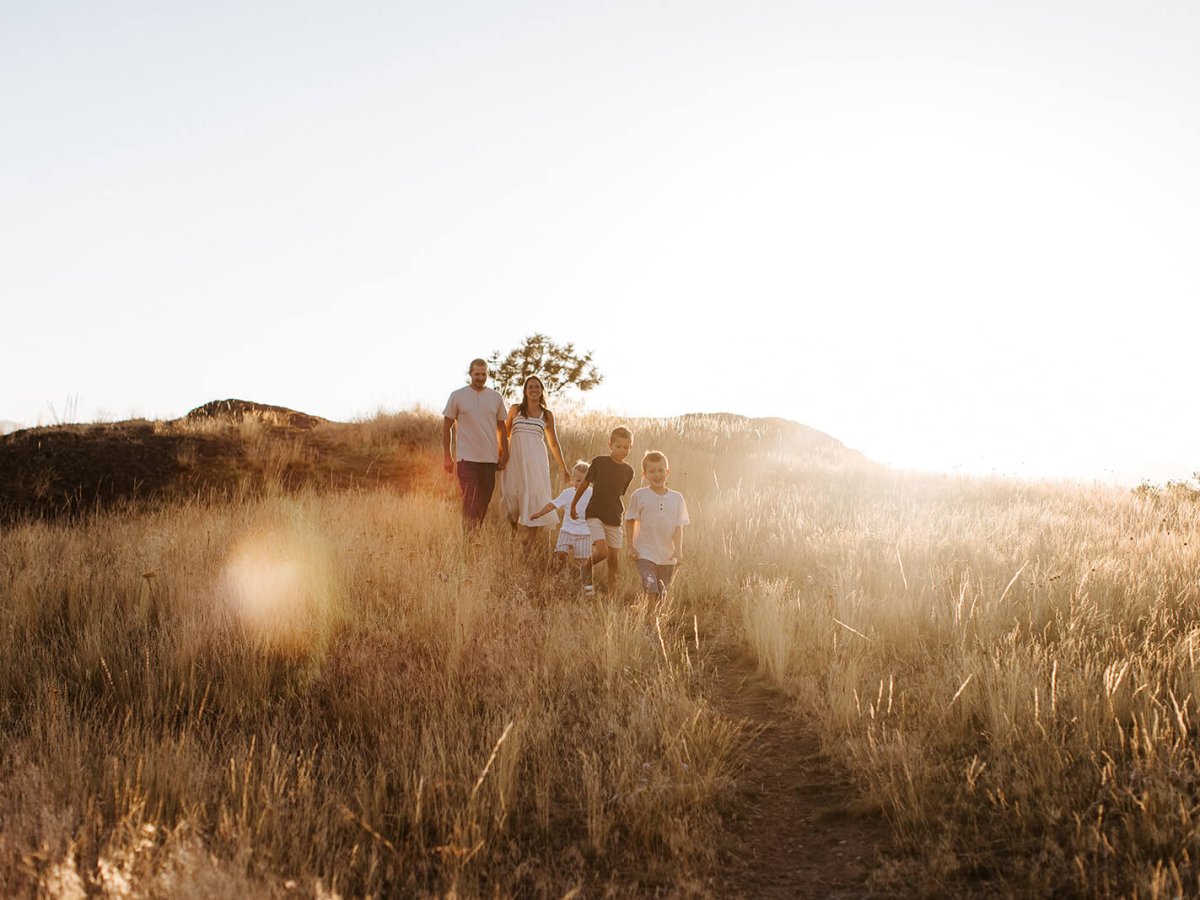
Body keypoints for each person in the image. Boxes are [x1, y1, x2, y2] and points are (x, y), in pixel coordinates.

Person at [500, 375, 570, 539]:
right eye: (530, 387)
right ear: (525, 391)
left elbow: (553, 443)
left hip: (536, 460)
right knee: (511, 493)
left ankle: (530, 540)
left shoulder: (547, 415)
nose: (534, 389)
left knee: (535, 495)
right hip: (515, 458)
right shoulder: (515, 409)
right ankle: (514, 530)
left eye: (537, 387)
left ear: (542, 390)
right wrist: (500, 455)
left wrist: (563, 467)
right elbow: (504, 433)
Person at [442, 358, 509, 528]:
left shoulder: (496, 397)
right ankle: (469, 538)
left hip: (489, 460)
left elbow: (502, 428)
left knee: (484, 501)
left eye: (483, 374)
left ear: (488, 374)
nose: (480, 377)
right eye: (477, 374)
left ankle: (475, 534)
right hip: (466, 459)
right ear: (470, 374)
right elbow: (446, 427)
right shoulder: (457, 395)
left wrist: (504, 453)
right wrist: (447, 456)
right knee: (470, 499)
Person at [570, 425, 634, 594]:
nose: (622, 450)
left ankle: (611, 598)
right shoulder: (599, 462)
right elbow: (584, 484)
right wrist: (573, 504)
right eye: (618, 446)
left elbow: (619, 493)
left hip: (614, 517)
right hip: (595, 514)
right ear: (610, 445)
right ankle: (586, 566)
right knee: (603, 552)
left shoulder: (629, 471)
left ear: (631, 447)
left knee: (613, 561)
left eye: (626, 447)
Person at [625, 450, 690, 600]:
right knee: (651, 587)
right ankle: (650, 622)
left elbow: (679, 527)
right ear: (644, 474)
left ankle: (655, 618)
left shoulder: (677, 498)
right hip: (645, 553)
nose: (657, 475)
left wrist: (678, 550)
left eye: (660, 470)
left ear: (667, 472)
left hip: (667, 554)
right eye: (652, 471)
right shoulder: (639, 495)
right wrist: (630, 546)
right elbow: (630, 520)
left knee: (662, 592)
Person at [531, 460, 595, 591]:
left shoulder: (592, 494)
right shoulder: (567, 493)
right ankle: (559, 578)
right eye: (577, 480)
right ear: (572, 480)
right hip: (567, 531)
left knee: (585, 563)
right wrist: (539, 513)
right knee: (560, 554)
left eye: (584, 481)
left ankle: (587, 588)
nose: (580, 484)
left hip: (584, 533)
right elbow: (552, 504)